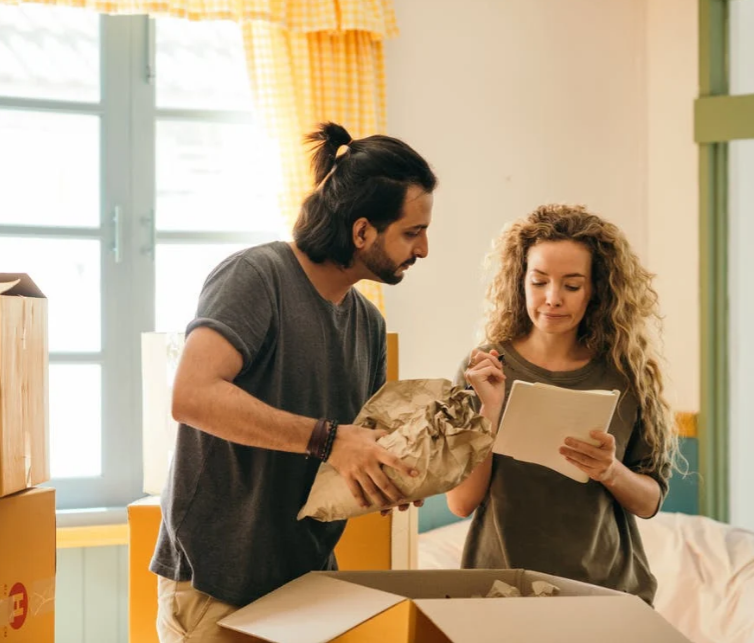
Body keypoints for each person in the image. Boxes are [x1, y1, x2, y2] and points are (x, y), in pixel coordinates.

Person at [150, 121, 441, 642]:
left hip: (308, 586)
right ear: (362, 232)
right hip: (215, 586)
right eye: (412, 232)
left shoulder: (369, 325)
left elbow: (348, 455)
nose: (422, 250)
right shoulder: (256, 277)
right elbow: (192, 395)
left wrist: (392, 475)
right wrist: (330, 440)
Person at [447, 204, 680, 605]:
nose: (552, 299)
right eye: (539, 282)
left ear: (596, 290)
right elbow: (461, 503)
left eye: (571, 286)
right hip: (503, 593)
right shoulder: (484, 369)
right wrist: (490, 411)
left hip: (607, 594)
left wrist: (610, 471)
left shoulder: (626, 375)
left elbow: (650, 500)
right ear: (520, 281)